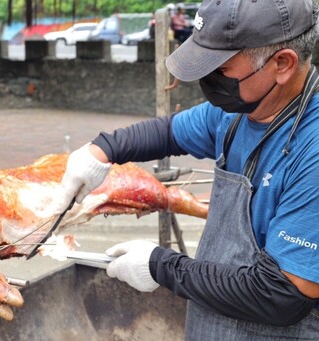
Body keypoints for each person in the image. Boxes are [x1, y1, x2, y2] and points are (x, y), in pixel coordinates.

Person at [55, 0, 319, 339]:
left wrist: (160, 267)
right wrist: (99, 152)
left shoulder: (311, 149)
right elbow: (167, 132)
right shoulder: (239, 113)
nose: (206, 82)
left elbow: (283, 294)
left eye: (219, 70)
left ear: (282, 63)